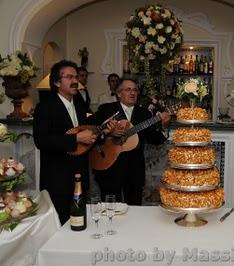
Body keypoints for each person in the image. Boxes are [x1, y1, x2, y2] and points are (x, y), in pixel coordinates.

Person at [33, 60, 97, 224]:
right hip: (57, 180)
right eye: (69, 77)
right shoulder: (45, 106)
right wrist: (75, 138)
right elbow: (41, 140)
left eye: (76, 77)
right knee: (59, 226)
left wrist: (95, 136)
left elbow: (85, 136)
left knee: (80, 221)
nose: (75, 81)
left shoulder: (80, 104)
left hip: (80, 176)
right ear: (56, 82)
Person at [88, 78, 170, 205]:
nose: (133, 93)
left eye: (135, 90)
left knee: (134, 210)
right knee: (110, 209)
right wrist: (108, 133)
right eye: (128, 89)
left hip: (134, 170)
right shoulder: (106, 110)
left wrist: (164, 126)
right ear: (119, 93)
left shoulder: (144, 114)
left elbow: (155, 139)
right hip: (108, 166)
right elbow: (90, 131)